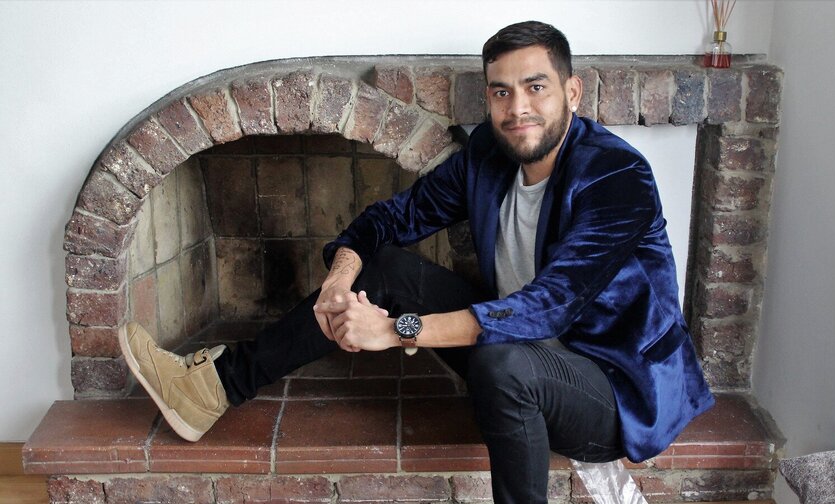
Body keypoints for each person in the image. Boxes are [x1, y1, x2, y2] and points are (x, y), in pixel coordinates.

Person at [120, 20, 714, 503]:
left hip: (613, 388)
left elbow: (547, 308)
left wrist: (396, 330)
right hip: (517, 351)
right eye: (501, 92)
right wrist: (341, 278)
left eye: (536, 88)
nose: (518, 108)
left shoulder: (615, 175)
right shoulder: (489, 156)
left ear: (572, 93)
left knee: (505, 361)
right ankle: (214, 388)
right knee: (387, 269)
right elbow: (392, 218)